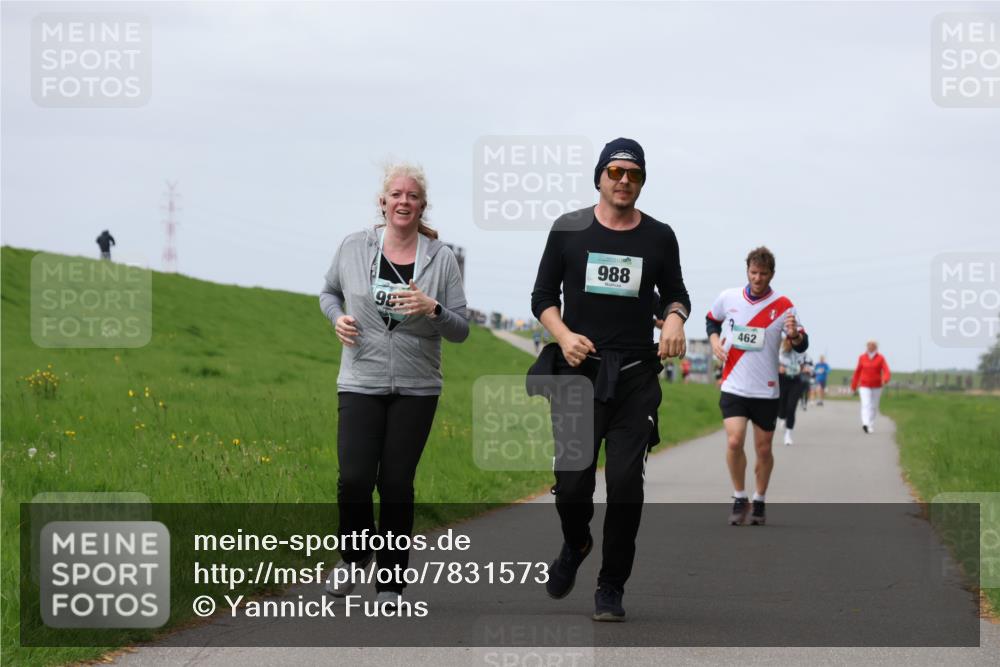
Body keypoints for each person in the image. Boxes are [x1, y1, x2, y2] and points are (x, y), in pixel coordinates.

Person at [530, 137, 690, 622]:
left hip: (635, 376)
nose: (624, 181)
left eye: (634, 174)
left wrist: (677, 317)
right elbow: (541, 295)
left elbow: (676, 293)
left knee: (624, 484)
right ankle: (577, 543)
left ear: (642, 182)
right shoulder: (569, 230)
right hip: (579, 374)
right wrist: (563, 333)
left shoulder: (659, 237)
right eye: (616, 172)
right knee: (573, 484)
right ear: (599, 177)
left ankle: (611, 586)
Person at [319, 162, 469, 607]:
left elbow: (461, 329)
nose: (404, 202)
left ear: (423, 205)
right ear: (382, 202)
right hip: (360, 379)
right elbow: (328, 292)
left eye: (413, 196)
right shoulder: (352, 247)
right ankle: (353, 559)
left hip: (417, 387)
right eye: (396, 194)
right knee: (354, 479)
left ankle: (390, 582)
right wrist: (337, 318)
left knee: (398, 483)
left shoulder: (441, 259)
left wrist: (433, 308)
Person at [707, 246, 808, 526]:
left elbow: (801, 343)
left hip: (766, 390)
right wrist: (715, 342)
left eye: (763, 273)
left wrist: (794, 335)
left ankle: (760, 499)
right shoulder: (728, 297)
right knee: (734, 440)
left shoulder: (785, 305)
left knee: (764, 450)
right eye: (753, 272)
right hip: (734, 386)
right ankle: (740, 496)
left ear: (772, 274)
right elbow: (711, 320)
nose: (758, 278)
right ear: (747, 271)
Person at [850, 340, 890, 433]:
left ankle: (870, 424)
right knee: (866, 404)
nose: (870, 347)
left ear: (876, 347)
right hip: (864, 385)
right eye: (869, 345)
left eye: (872, 345)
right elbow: (857, 372)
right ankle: (865, 424)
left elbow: (886, 370)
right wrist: (854, 385)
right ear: (867, 346)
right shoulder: (862, 357)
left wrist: (885, 379)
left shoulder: (880, 358)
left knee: (874, 406)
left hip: (877, 385)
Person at [778, 338, 806, 445]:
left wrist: (803, 368)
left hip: (796, 381)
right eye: (791, 341)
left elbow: (803, 365)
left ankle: (788, 435)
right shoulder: (781, 350)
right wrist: (779, 368)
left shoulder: (800, 352)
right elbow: (774, 363)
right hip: (783, 380)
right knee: (781, 406)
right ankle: (782, 417)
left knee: (791, 407)